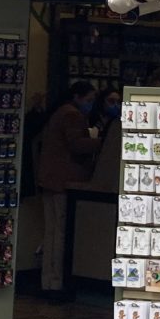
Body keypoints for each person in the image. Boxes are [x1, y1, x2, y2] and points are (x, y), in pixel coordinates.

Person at [34, 81, 101, 298]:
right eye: (89, 100)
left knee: (51, 232)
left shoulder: (59, 112)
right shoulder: (72, 115)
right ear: (78, 97)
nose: (90, 105)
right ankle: (57, 281)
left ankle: (48, 281)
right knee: (60, 233)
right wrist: (99, 140)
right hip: (65, 180)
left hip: (49, 179)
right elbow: (76, 144)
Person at [86, 87, 124, 193]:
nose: (115, 105)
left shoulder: (116, 123)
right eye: (111, 101)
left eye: (118, 102)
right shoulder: (92, 120)